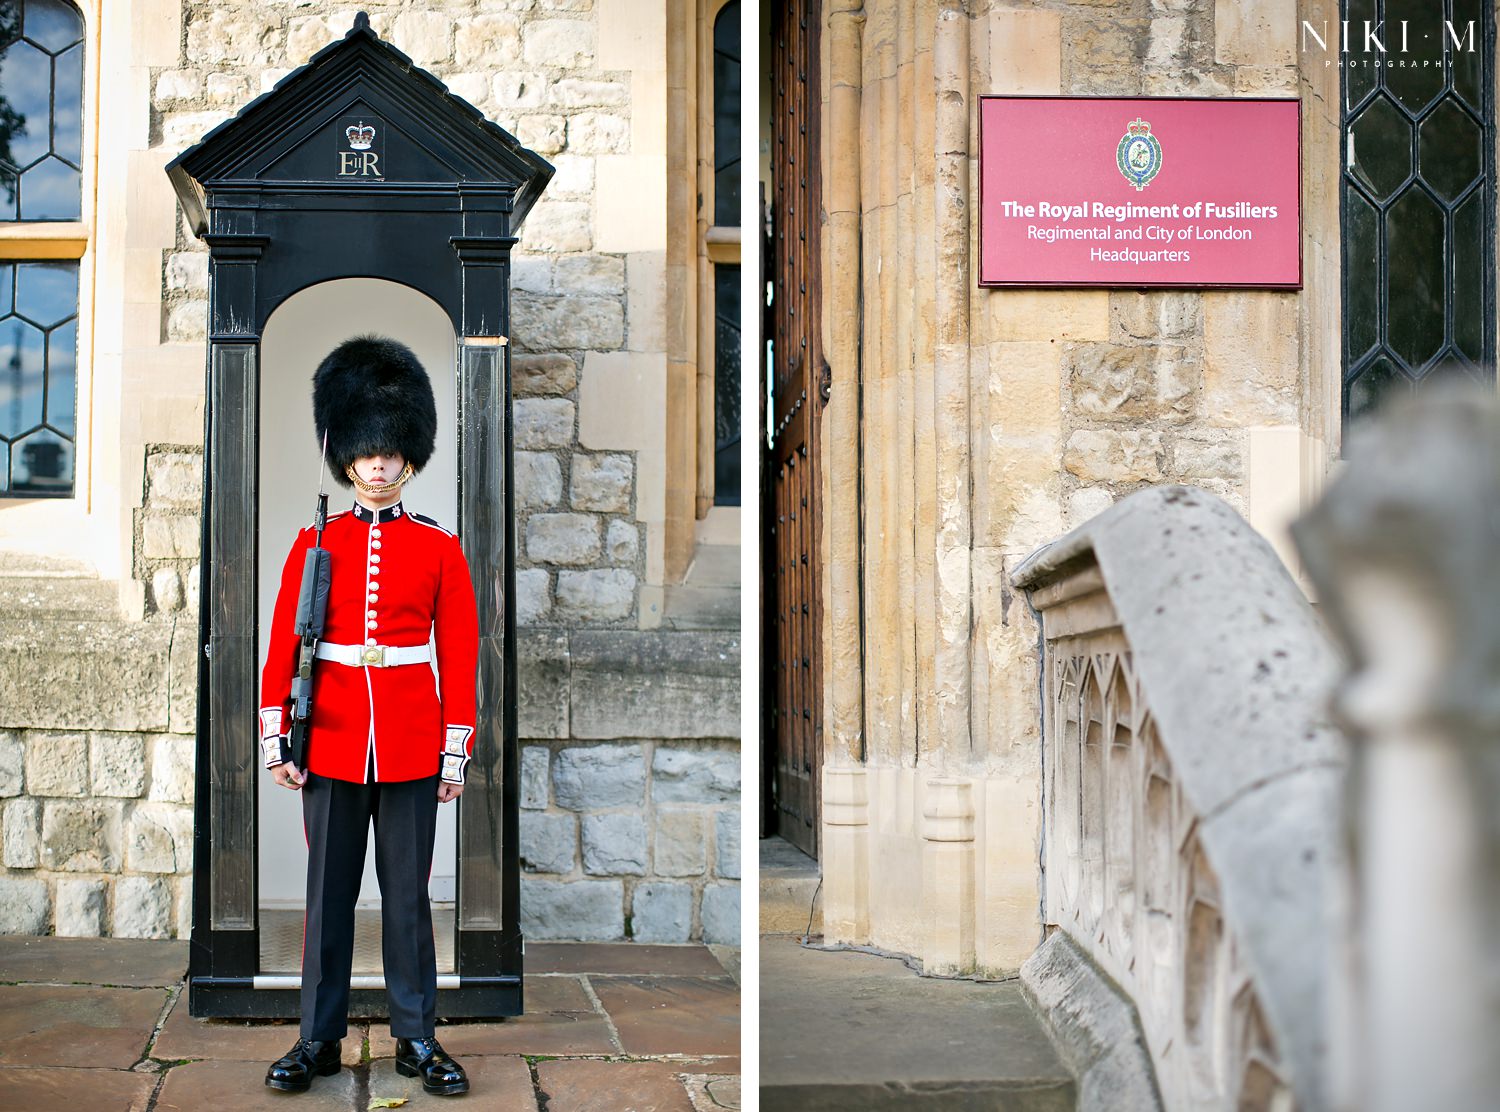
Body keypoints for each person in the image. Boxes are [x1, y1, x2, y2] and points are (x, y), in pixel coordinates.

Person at [258, 335, 477, 1096]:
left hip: (413, 742)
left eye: (391, 452)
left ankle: (417, 1039)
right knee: (328, 897)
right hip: (334, 740)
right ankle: (317, 1040)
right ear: (347, 459)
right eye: (367, 452)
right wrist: (279, 736)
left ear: (409, 459)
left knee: (408, 898)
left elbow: (459, 655)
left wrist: (454, 753)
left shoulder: (440, 549)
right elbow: (286, 645)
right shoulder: (314, 543)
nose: (379, 465)